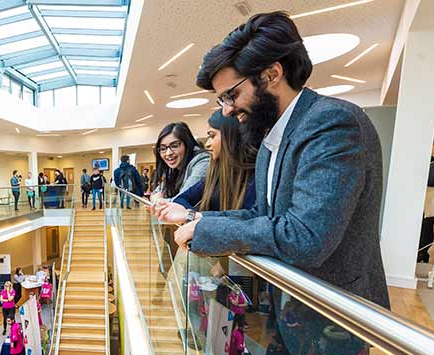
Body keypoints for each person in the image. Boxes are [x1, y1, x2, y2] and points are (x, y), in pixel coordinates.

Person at [154, 10, 390, 308]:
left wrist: (207, 230)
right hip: (290, 305)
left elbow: (306, 237)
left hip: (335, 313)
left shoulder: (332, 123)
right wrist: (193, 217)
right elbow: (264, 216)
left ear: (271, 75)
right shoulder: (269, 141)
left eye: (231, 95)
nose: (226, 110)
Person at [171, 111, 257, 212]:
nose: (207, 144)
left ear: (230, 136)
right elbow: (180, 199)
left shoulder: (255, 177)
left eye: (212, 136)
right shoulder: (214, 175)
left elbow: (247, 220)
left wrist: (197, 217)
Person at [151, 122, 210, 201]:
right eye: (163, 149)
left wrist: (158, 201)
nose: (168, 153)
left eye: (175, 146)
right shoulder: (173, 169)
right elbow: (155, 193)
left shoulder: (203, 162)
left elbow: (182, 200)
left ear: (187, 144)